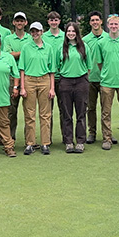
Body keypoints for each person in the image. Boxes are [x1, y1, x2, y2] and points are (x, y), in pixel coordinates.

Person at [95, 15, 119, 150]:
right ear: (107, 25)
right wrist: (107, 72)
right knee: (106, 112)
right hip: (107, 81)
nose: (113, 26)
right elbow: (100, 63)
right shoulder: (101, 42)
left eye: (116, 24)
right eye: (111, 24)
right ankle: (107, 139)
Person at [18, 22, 56, 155]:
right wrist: (22, 87)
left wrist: (52, 88)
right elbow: (21, 69)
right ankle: (30, 143)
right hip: (29, 80)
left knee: (45, 114)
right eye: (32, 31)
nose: (35, 33)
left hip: (44, 80)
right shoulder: (26, 47)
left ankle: (45, 143)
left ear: (42, 32)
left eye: (37, 31)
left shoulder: (49, 48)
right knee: (29, 114)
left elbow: (52, 70)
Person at [56, 22, 92, 153]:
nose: (71, 33)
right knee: (67, 113)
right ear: (65, 33)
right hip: (65, 82)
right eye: (68, 31)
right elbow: (57, 65)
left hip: (81, 81)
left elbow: (89, 66)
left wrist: (81, 78)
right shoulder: (61, 48)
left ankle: (80, 141)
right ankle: (69, 141)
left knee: (81, 113)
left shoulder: (84, 47)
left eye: (73, 31)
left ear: (77, 32)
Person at [5, 12, 30, 141]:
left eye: (22, 21)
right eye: (17, 21)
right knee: (11, 110)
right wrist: (25, 52)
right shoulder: (8, 39)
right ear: (14, 23)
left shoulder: (31, 38)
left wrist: (18, 54)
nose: (19, 23)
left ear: (25, 23)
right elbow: (8, 55)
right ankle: (10, 139)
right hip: (12, 76)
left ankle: (29, 140)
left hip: (28, 77)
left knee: (29, 110)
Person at [83, 11, 106, 144]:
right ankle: (92, 132)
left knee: (106, 108)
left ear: (101, 21)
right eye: (92, 20)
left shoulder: (109, 38)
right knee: (90, 108)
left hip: (105, 79)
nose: (95, 22)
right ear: (90, 23)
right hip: (90, 79)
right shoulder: (85, 40)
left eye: (97, 20)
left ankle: (106, 133)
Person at [42, 11, 65, 145]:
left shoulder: (65, 36)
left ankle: (65, 137)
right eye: (51, 20)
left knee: (64, 109)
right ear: (48, 22)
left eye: (56, 20)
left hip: (62, 77)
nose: (54, 22)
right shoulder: (43, 36)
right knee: (47, 111)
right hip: (47, 77)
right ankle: (47, 138)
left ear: (59, 21)